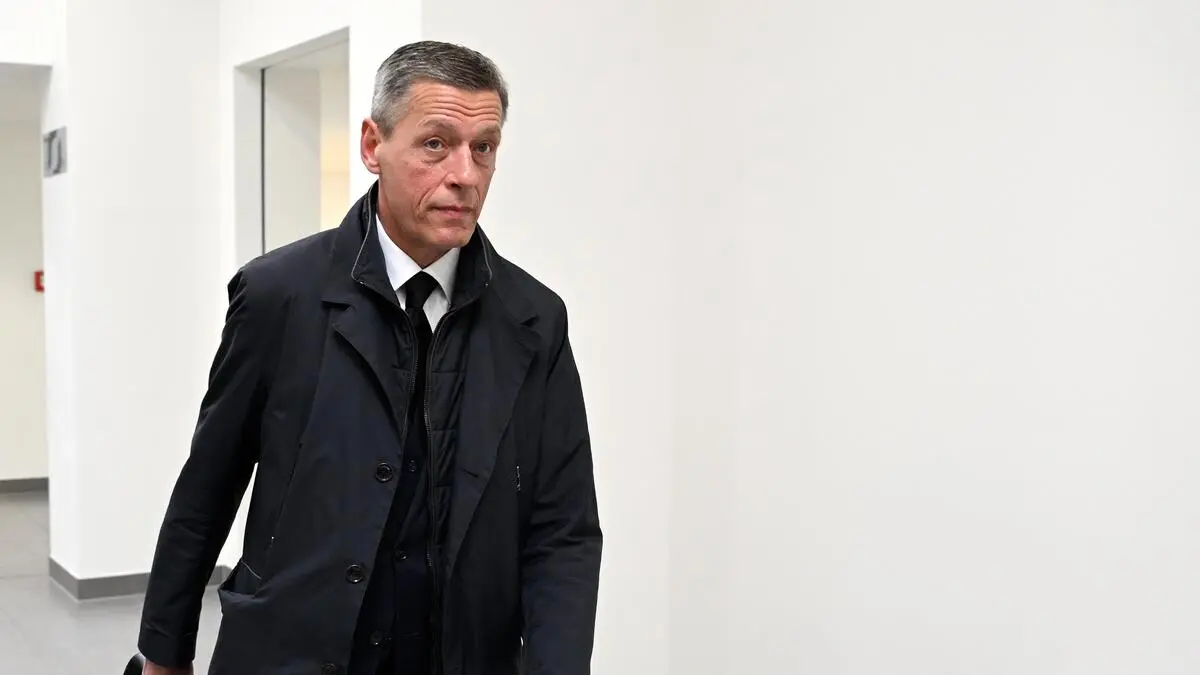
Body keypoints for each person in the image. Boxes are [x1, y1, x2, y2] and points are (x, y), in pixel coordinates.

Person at [136, 40, 602, 675]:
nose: (465, 175)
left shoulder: (534, 320)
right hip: (293, 651)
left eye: (484, 148)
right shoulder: (279, 295)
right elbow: (209, 485)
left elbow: (564, 528)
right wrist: (165, 651)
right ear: (372, 145)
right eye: (436, 143)